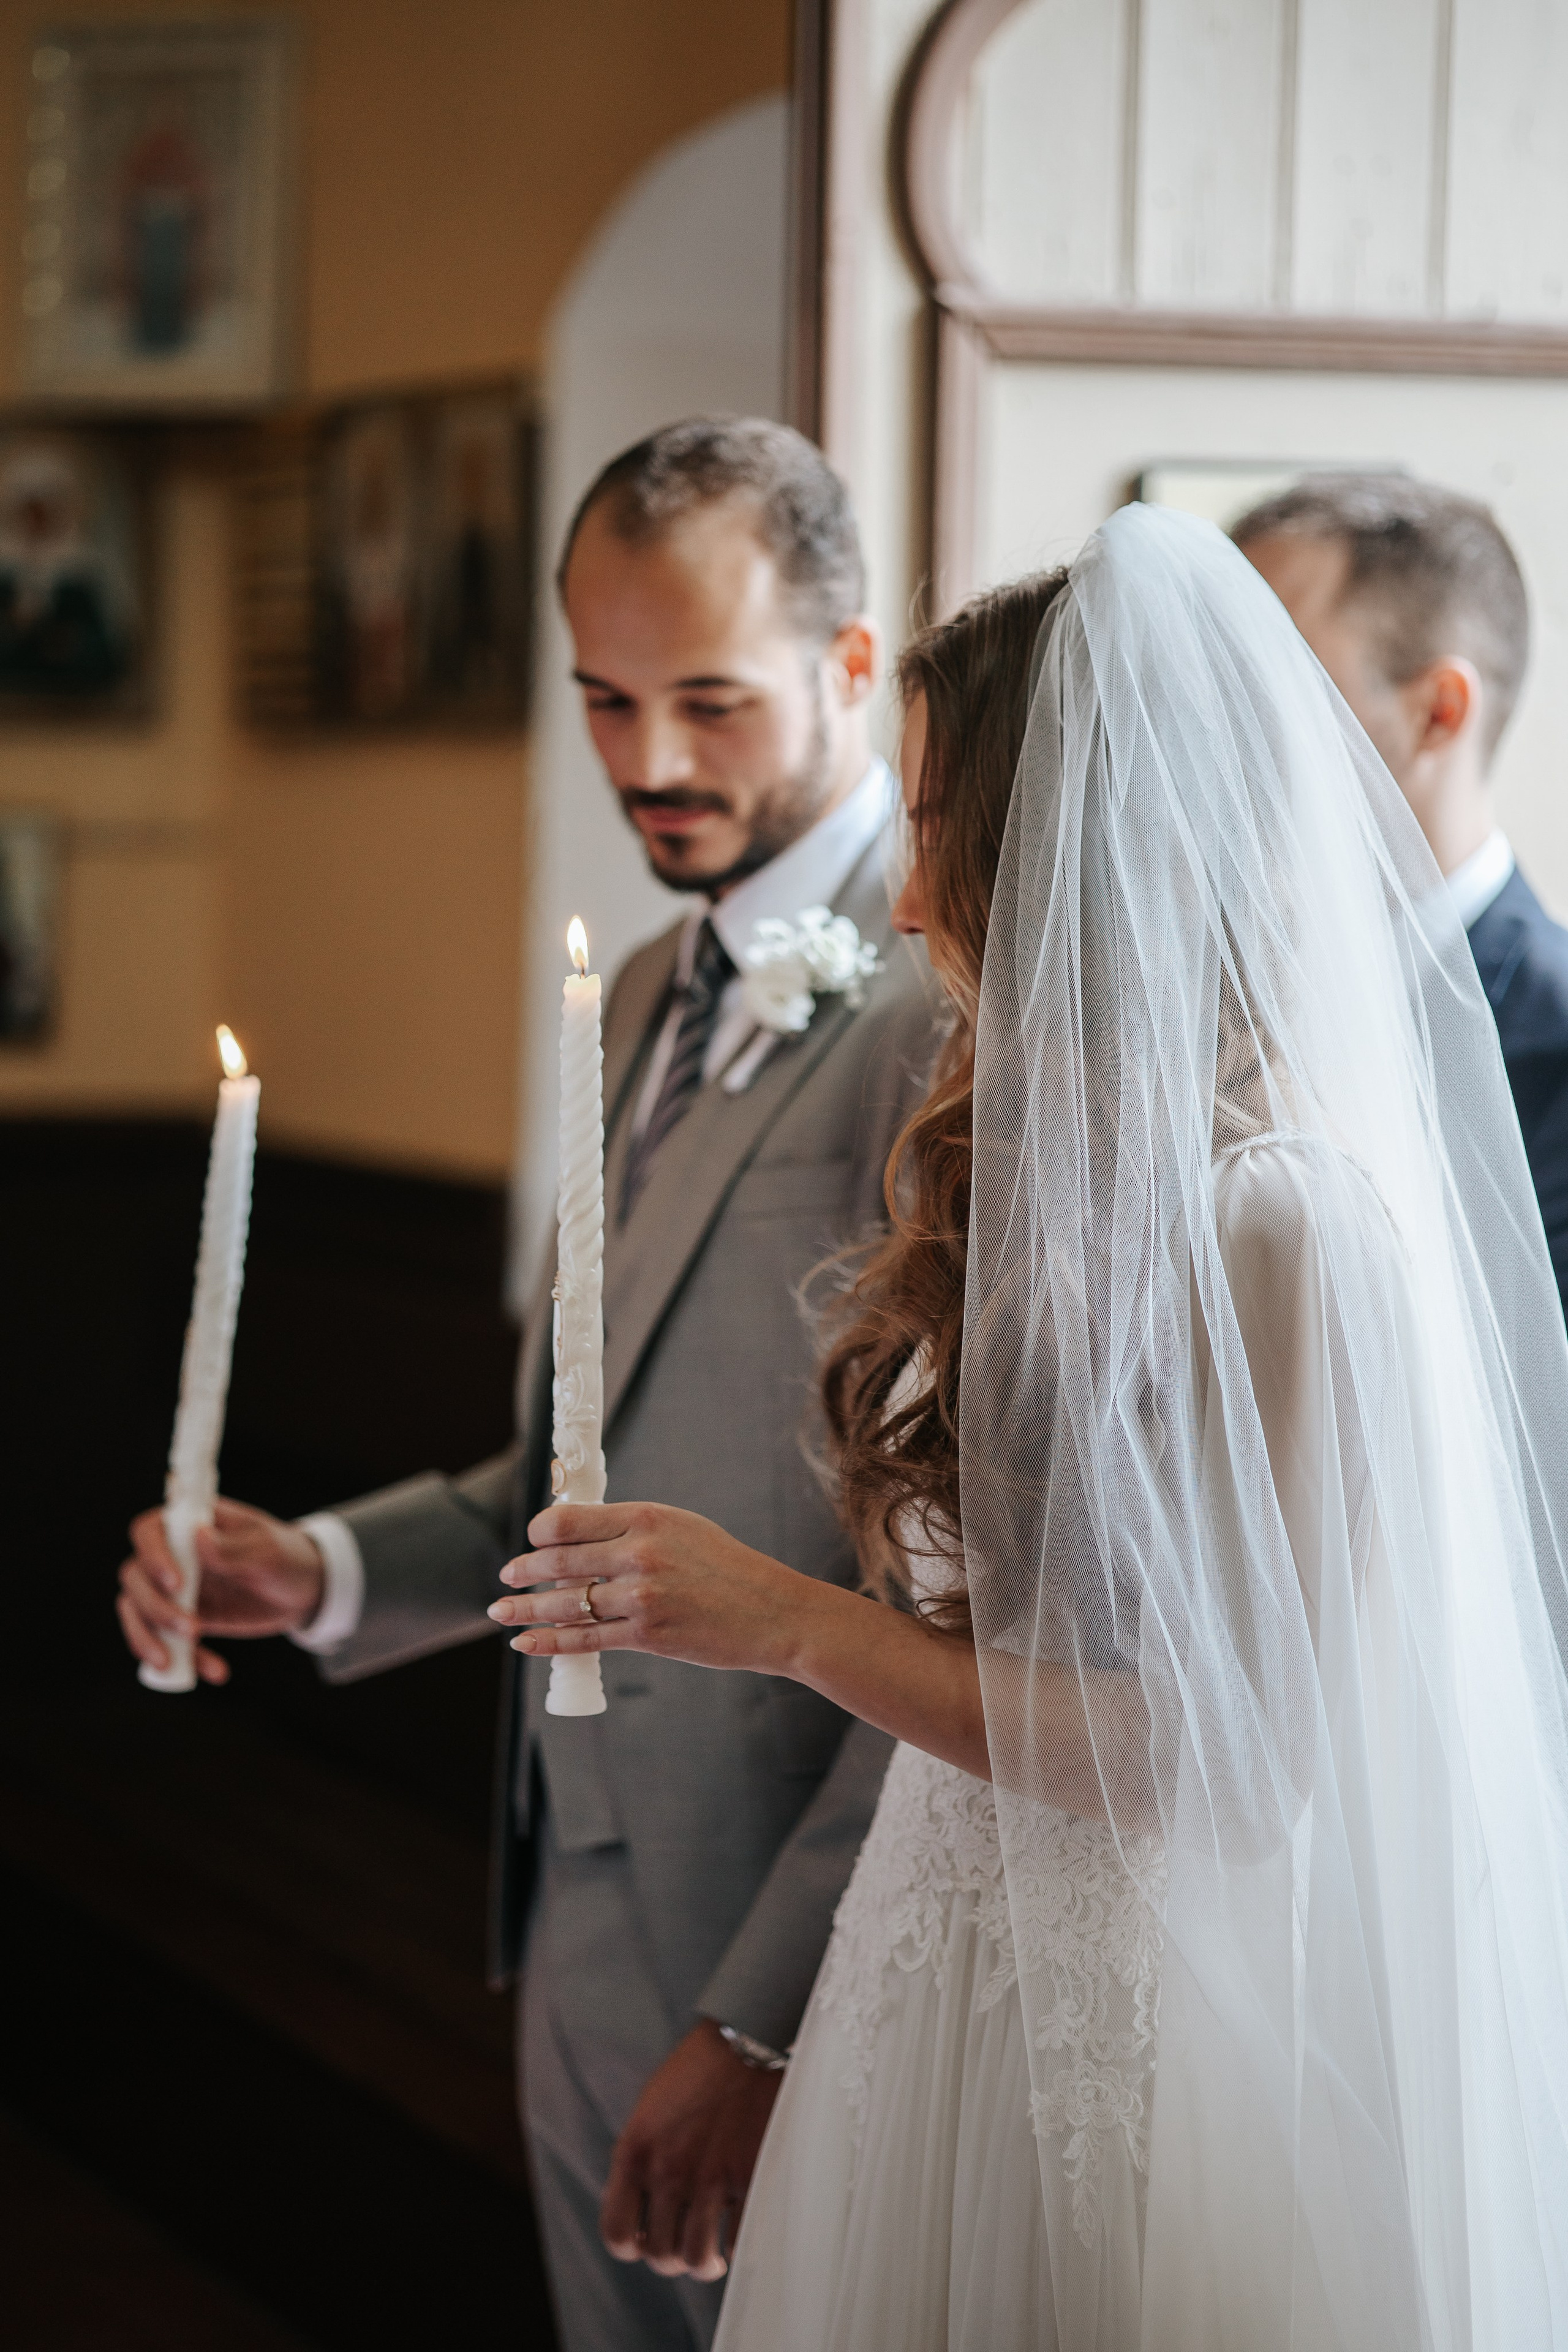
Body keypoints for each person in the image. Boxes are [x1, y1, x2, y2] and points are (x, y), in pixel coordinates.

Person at [496, 505, 1568, 2346]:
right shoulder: (1043, 1180)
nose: (907, 901)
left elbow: (1227, 1762)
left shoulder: (1291, 1223)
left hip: (1166, 2043)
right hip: (941, 1970)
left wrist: (784, 1621)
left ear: (1073, 847)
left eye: (934, 830)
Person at [115, 419, 937, 2352]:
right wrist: (308, 1570)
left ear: (845, 667)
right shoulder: (640, 992)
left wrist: (764, 2013)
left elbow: (974, 1583)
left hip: (801, 1942)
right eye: (605, 699)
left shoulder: (948, 1002)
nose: (648, 762)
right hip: (565, 1893)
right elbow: (565, 1472)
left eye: (709, 702)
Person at [1236, 473, 1568, 1319]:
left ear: (1437, 713)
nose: (1227, 729)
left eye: (1278, 682)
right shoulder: (1221, 993)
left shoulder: (1555, 1032)